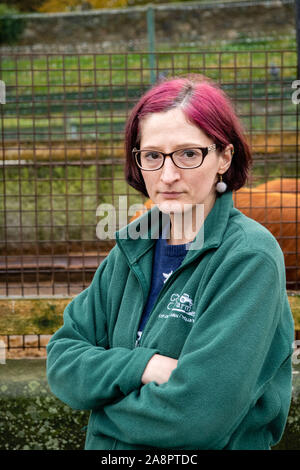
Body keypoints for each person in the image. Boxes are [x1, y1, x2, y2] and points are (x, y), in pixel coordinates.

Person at [46, 74, 295, 450]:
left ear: (224, 157)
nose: (168, 175)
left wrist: (102, 417)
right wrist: (144, 367)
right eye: (152, 156)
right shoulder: (131, 248)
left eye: (189, 154)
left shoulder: (248, 257)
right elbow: (62, 361)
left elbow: (196, 418)